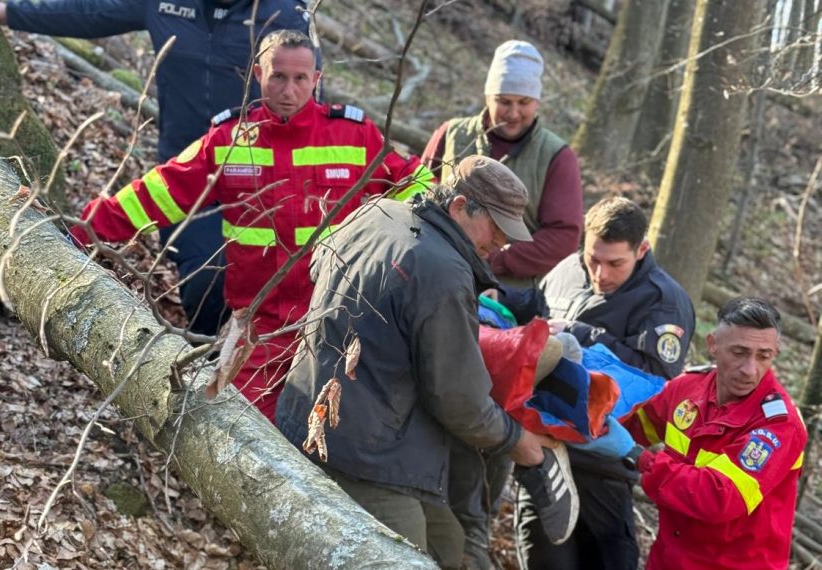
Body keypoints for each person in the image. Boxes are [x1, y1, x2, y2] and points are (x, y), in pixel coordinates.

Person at [70, 30, 433, 421]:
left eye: (300, 78)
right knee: (238, 427)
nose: (289, 90)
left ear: (317, 79)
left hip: (337, 320)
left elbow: (421, 188)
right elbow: (156, 193)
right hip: (259, 325)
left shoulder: (354, 134)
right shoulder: (229, 140)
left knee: (337, 438)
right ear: (257, 74)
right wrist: (81, 231)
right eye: (278, 76)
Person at [276, 156, 578, 568]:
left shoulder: (376, 211)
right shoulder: (443, 271)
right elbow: (460, 400)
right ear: (459, 206)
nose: (501, 245)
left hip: (306, 418)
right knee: (404, 558)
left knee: (448, 545)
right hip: (368, 455)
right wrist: (516, 442)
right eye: (496, 229)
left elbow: (316, 266)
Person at [0, 0, 313, 335]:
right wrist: (10, 11)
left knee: (275, 291)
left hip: (262, 180)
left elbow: (307, 100)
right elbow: (92, 12)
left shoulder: (282, 14)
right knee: (206, 280)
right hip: (186, 178)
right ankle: (200, 363)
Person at [513, 196, 695, 569]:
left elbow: (655, 382)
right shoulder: (564, 271)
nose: (601, 274)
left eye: (615, 263)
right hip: (543, 458)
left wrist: (583, 335)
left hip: (605, 468)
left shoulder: (663, 302)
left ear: (641, 249)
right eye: (593, 259)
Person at [607, 297, 805, 569]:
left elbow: (719, 498)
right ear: (713, 345)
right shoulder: (687, 388)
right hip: (670, 558)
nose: (750, 369)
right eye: (739, 352)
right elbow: (632, 423)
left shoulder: (780, 425)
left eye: (763, 356)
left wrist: (641, 458)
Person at [421, 39, 582, 286]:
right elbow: (417, 193)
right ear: (488, 96)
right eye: (504, 102)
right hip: (436, 273)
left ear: (536, 101)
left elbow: (563, 237)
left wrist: (494, 257)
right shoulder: (450, 134)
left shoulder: (556, 156)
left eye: (524, 103)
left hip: (509, 291)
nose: (513, 113)